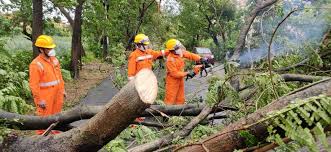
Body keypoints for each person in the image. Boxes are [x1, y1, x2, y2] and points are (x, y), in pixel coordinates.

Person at [29, 35, 66, 135]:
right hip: (45, 97)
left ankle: (56, 136)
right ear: (41, 49)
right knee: (44, 119)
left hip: (57, 94)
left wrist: (62, 90)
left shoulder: (54, 60)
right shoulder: (36, 64)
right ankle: (42, 140)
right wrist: (39, 99)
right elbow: (33, 84)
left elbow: (59, 77)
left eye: (52, 47)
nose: (51, 49)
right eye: (48, 48)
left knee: (57, 116)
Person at [164, 39, 203, 105]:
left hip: (180, 79)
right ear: (173, 49)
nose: (180, 49)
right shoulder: (170, 60)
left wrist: (200, 58)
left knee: (180, 99)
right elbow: (174, 74)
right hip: (172, 82)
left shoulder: (179, 53)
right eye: (178, 47)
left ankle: (179, 113)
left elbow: (190, 55)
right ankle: (167, 113)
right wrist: (187, 73)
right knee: (170, 100)